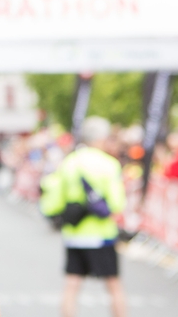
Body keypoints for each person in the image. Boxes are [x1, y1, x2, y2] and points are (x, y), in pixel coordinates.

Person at [40, 116, 127, 317]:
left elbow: (54, 200)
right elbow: (117, 204)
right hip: (102, 234)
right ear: (101, 138)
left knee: (71, 285)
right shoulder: (109, 164)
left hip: (74, 234)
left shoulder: (69, 162)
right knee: (113, 285)